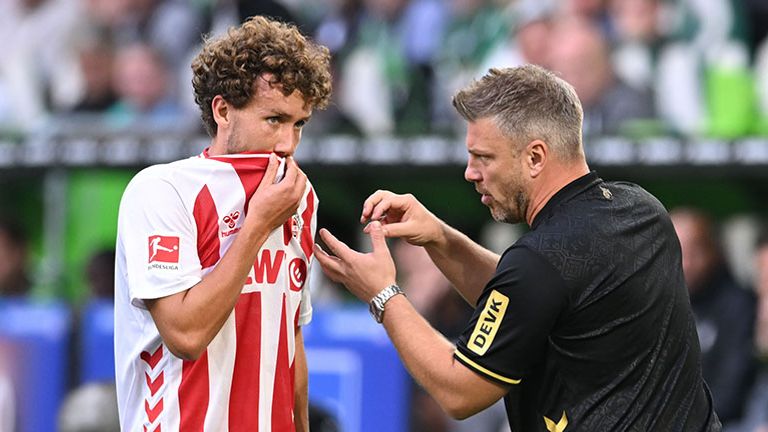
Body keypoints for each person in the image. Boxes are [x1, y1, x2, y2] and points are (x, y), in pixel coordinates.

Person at [314, 64, 721, 431]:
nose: (470, 173)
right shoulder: (643, 210)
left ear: (535, 157)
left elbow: (460, 392)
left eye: (483, 157)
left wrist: (383, 294)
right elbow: (531, 302)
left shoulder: (539, 262)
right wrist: (440, 237)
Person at [114, 15, 331, 431]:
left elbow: (289, 339)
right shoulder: (162, 190)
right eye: (274, 120)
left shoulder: (300, 197)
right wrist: (257, 226)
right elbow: (186, 336)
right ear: (223, 110)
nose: (288, 144)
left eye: (299, 123)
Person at [671, 208, 757, 423]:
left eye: (693, 251)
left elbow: (732, 390)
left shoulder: (738, 305)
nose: (685, 263)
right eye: (676, 251)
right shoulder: (655, 302)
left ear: (713, 250)